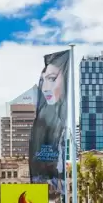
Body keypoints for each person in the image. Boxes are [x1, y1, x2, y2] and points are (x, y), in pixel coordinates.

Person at [28, 51, 71, 183]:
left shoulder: (60, 123)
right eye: (43, 80)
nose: (45, 88)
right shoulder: (42, 123)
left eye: (52, 79)